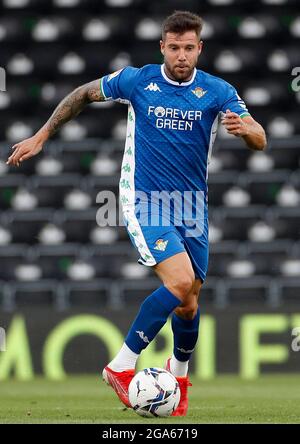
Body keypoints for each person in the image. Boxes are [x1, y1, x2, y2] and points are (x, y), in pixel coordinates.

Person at [7, 10, 267, 416]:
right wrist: (41, 136)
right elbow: (81, 94)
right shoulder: (137, 80)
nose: (181, 55)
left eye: (189, 48)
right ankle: (120, 365)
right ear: (162, 46)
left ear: (200, 49)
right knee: (180, 282)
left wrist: (248, 131)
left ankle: (178, 379)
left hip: (192, 206)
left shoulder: (218, 91)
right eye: (174, 47)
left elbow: (260, 137)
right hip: (145, 199)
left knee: (189, 303)